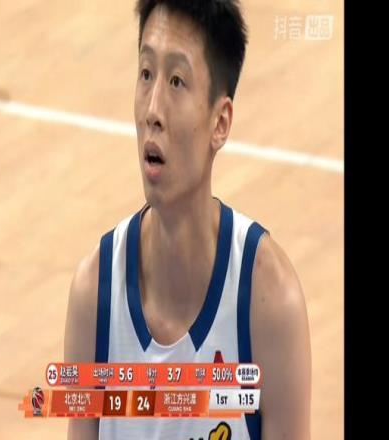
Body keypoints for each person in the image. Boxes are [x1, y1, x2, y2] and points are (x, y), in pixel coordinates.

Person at [64, 1, 311, 438]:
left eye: (176, 81)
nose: (152, 109)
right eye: (146, 74)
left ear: (220, 122)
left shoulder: (269, 302)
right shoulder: (94, 294)